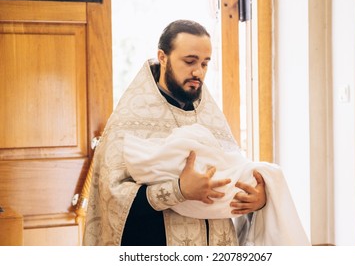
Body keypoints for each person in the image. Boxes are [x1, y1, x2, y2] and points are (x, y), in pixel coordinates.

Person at [83, 20, 310, 246]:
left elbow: (233, 173)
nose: (198, 72)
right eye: (190, 61)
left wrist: (257, 200)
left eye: (205, 63)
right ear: (162, 57)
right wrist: (178, 190)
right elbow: (111, 199)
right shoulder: (129, 119)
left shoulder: (210, 117)